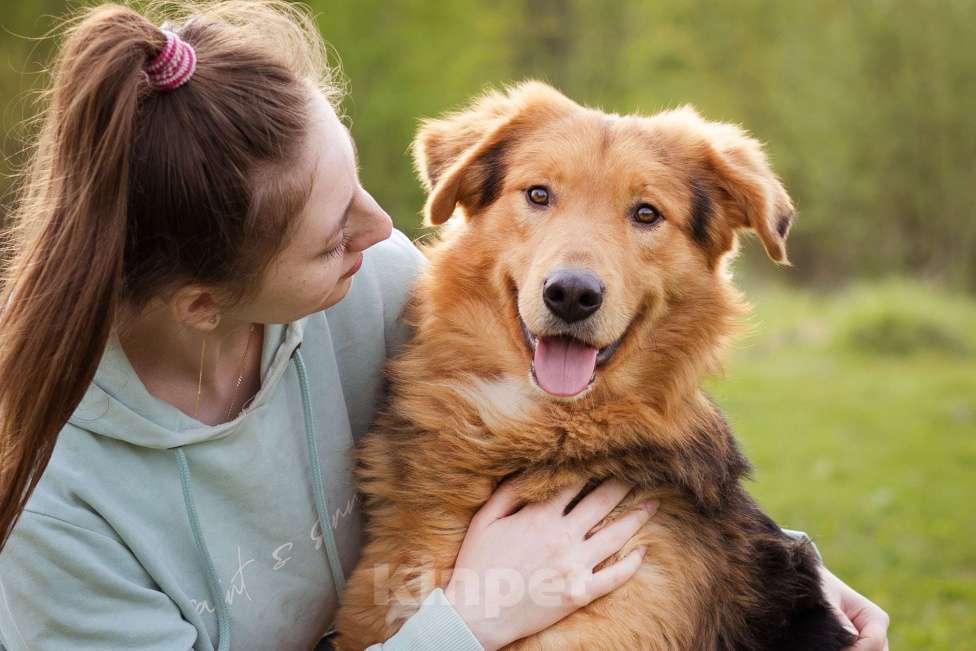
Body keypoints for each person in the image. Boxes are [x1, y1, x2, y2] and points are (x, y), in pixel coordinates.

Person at [0, 2, 889, 650]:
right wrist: (469, 619)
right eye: (328, 231)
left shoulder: (375, 284)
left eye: (356, 182)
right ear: (204, 303)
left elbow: (658, 442)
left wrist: (786, 572)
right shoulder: (55, 510)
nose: (386, 231)